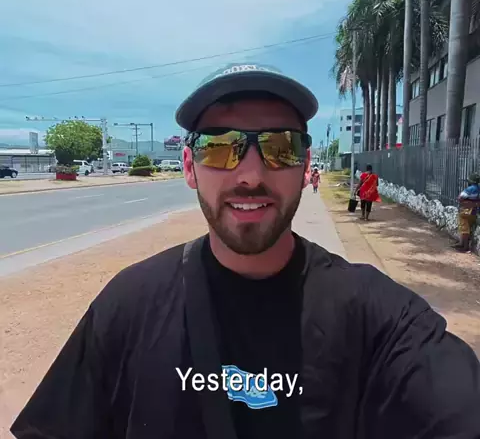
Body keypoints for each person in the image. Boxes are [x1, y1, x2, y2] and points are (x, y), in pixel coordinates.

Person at [10, 63, 480, 439]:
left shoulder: (377, 318)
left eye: (280, 147)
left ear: (306, 167)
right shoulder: (128, 305)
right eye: (220, 147)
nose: (251, 175)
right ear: (190, 167)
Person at [452, 172, 480, 252]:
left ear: (471, 181)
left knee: (464, 228)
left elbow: (460, 197)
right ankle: (461, 243)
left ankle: (465, 247)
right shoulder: (478, 188)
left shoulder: (470, 189)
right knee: (466, 227)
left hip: (467, 211)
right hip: (475, 212)